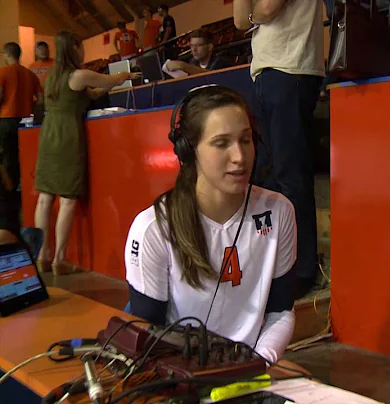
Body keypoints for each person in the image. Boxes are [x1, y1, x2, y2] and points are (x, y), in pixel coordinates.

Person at [124, 85, 297, 364]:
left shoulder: (279, 212)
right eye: (221, 143)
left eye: (245, 139)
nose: (240, 157)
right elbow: (146, 334)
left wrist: (258, 364)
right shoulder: (153, 229)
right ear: (189, 151)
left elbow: (280, 311)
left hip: (252, 367)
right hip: (180, 368)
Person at [234, 0, 325, 299]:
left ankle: (302, 269)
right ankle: (276, 262)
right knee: (268, 177)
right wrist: (251, 14)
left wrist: (252, 15)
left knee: (290, 175)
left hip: (291, 68)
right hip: (266, 71)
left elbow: (266, 9)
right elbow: (240, 20)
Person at [33, 31, 138, 275]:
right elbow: (108, 81)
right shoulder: (78, 74)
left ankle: (42, 255)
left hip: (48, 136)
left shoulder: (51, 78)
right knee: (68, 199)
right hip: (67, 137)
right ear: (74, 48)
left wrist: (103, 87)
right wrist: (125, 75)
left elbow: (86, 95)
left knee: (45, 197)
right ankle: (60, 258)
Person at [0, 42, 43, 208]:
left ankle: (11, 196)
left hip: (6, 119)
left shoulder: (3, 72)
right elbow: (40, 97)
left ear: (7, 54)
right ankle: (25, 189)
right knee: (25, 156)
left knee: (8, 157)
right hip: (26, 121)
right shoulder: (30, 74)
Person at [164, 29, 234, 76]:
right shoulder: (193, 62)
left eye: (198, 45)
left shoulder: (221, 62)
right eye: (191, 46)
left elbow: (211, 76)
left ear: (210, 47)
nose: (194, 49)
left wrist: (184, 67)